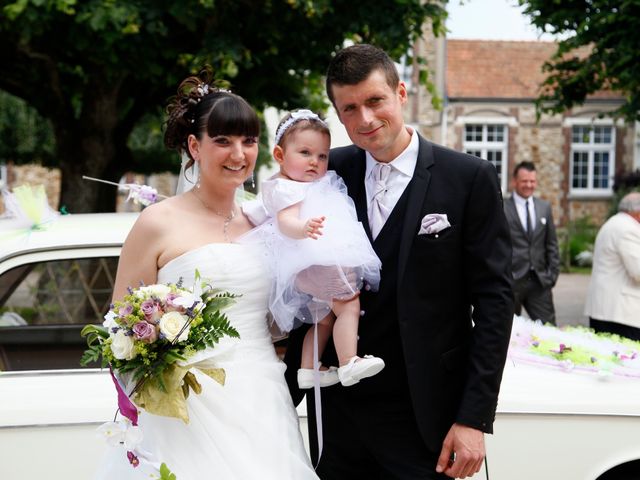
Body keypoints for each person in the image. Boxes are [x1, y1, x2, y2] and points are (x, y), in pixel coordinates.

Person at [284, 44, 514, 479]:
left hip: (427, 416)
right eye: (349, 109)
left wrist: (473, 418)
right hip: (338, 419)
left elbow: (495, 303)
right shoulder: (328, 172)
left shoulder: (467, 179)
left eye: (375, 101)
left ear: (401, 93)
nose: (365, 119)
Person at [94, 69, 319, 479]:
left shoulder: (264, 219)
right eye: (223, 141)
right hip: (182, 406)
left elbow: (280, 318)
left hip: (260, 396)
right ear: (195, 146)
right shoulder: (157, 222)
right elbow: (119, 325)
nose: (239, 154)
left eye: (248, 141)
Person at [242, 109, 384, 389]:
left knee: (324, 317)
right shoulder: (289, 188)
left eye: (321, 156)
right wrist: (302, 228)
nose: (315, 162)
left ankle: (309, 369)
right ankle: (348, 362)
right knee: (349, 305)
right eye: (305, 153)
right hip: (317, 260)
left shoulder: (302, 184)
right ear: (280, 156)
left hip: (312, 263)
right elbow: (285, 222)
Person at [503, 161, 560, 325]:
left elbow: (552, 244)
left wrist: (552, 276)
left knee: (550, 330)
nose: (529, 185)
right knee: (508, 332)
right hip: (511, 281)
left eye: (532, 181)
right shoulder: (503, 208)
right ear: (514, 181)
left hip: (539, 282)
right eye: (524, 181)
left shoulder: (544, 207)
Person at [585, 192, 640, 341]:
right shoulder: (629, 229)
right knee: (627, 361)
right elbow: (637, 272)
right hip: (620, 314)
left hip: (604, 310)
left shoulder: (612, 223)